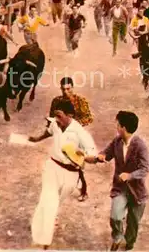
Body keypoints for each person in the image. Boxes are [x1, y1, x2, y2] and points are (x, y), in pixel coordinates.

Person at [29, 99, 97, 250]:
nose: (56, 120)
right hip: (52, 167)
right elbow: (49, 131)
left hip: (71, 174)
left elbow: (93, 154)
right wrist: (37, 138)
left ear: (70, 115)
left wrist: (83, 155)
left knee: (55, 202)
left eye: (59, 116)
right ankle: (44, 240)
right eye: (55, 116)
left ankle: (44, 223)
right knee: (49, 200)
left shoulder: (79, 132)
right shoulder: (55, 123)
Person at [87, 111, 149, 251]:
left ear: (124, 127)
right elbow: (107, 153)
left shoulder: (140, 146)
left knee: (133, 224)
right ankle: (117, 237)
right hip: (120, 189)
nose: (116, 126)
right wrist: (101, 156)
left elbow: (145, 169)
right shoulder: (117, 141)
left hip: (137, 192)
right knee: (115, 216)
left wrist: (130, 175)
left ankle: (129, 243)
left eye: (118, 124)